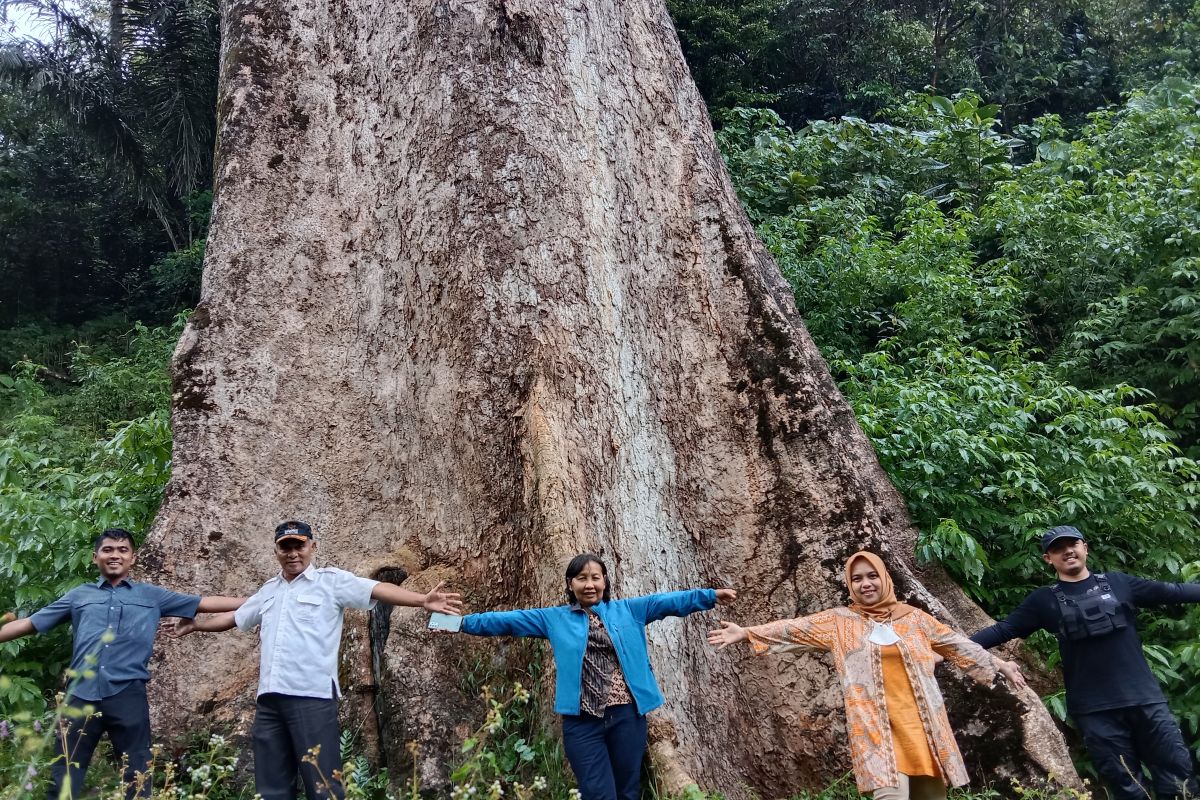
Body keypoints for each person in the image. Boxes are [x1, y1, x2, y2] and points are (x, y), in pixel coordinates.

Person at [173, 520, 463, 800]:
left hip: (311, 697)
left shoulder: (330, 582)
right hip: (269, 701)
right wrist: (196, 625)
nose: (293, 553)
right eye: (285, 547)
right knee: (271, 785)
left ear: (312, 546)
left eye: (299, 546)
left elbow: (375, 589)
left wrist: (421, 599)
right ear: (276, 552)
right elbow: (236, 617)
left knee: (323, 784)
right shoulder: (269, 590)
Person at [708, 550, 1024, 800]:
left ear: (885, 579)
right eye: (857, 579)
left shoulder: (914, 619)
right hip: (876, 732)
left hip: (924, 728)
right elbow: (794, 628)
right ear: (851, 585)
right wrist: (746, 632)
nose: (866, 583)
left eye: (872, 576)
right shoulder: (840, 621)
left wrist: (1000, 665)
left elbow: (957, 645)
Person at [455, 552, 736, 800]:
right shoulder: (553, 618)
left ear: (605, 582)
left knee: (627, 790)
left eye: (596, 578)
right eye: (581, 578)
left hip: (627, 716)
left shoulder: (629, 610)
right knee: (597, 792)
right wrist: (457, 622)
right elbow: (505, 621)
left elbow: (667, 602)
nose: (589, 584)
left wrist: (710, 596)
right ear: (570, 584)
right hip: (582, 723)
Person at [0, 528, 245, 800]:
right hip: (79, 696)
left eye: (122, 550)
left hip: (128, 694)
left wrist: (261, 601)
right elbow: (30, 623)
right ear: (95, 557)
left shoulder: (152, 596)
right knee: (63, 778)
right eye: (107, 550)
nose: (114, 555)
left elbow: (204, 603)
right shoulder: (79, 596)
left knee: (137, 778)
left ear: (133, 558)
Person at [970, 525, 1200, 800]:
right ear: (1048, 558)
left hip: (1146, 701)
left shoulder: (1119, 583)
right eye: (1058, 548)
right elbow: (1003, 630)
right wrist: (947, 646)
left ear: (1085, 547)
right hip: (1095, 712)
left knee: (1178, 781)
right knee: (1127, 787)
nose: (1068, 551)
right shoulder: (1043, 600)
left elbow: (1172, 591)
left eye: (1073, 544)